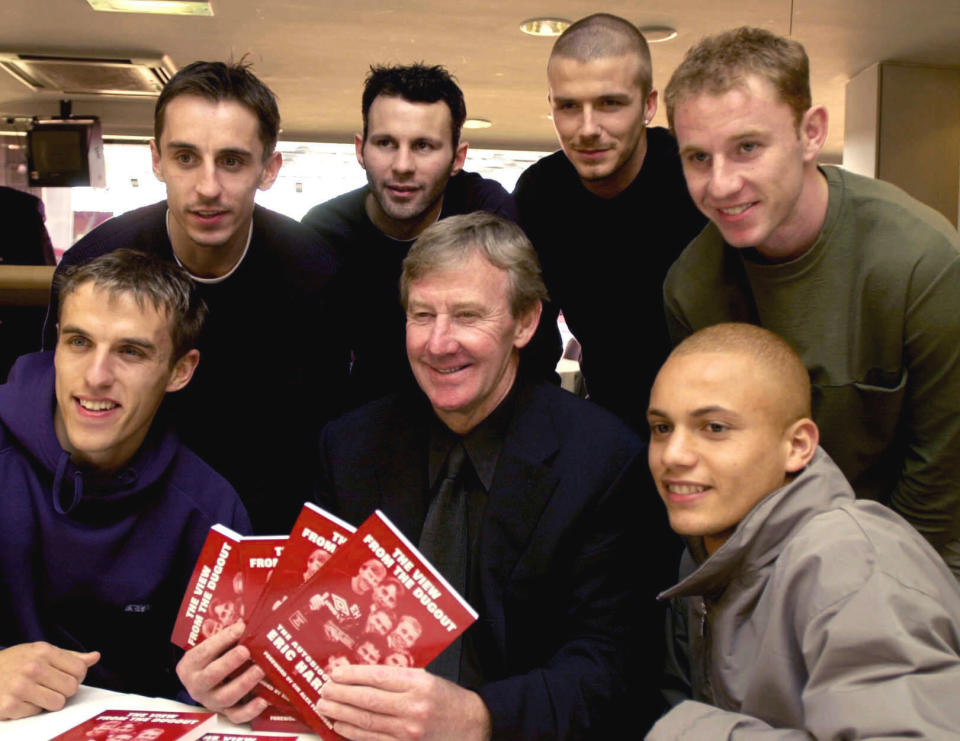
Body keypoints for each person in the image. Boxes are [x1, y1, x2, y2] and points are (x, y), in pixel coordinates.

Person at [173, 212, 673, 738]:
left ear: (525, 322)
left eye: (466, 315)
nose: (438, 343)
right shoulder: (350, 448)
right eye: (421, 315)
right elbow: (314, 631)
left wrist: (479, 718)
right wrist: (233, 678)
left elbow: (616, 672)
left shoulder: (605, 461)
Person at [661, 26, 960, 576]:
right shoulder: (692, 286)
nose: (722, 184)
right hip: (766, 566)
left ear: (811, 133)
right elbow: (717, 472)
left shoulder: (922, 263)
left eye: (747, 147)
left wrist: (869, 597)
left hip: (915, 561)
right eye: (698, 158)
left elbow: (940, 483)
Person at [42, 60, 344, 534]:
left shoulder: (313, 271)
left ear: (269, 169)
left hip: (265, 521)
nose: (208, 188)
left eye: (232, 161)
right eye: (185, 158)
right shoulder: (95, 263)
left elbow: (318, 435)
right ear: (156, 160)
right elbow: (59, 415)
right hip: (121, 513)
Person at [645, 322, 960, 738]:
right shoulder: (703, 554)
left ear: (797, 447)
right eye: (662, 428)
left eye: (715, 428)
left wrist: (690, 733)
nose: (674, 455)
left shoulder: (851, 563)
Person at [0, 250, 250, 719]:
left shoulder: (211, 511)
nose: (96, 377)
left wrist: (208, 694)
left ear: (180, 370)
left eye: (130, 352)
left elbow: (217, 696)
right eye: (79, 342)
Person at [302, 63, 559, 409]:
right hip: (369, 425)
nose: (403, 165)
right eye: (386, 143)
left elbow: (532, 351)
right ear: (361, 149)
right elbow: (313, 372)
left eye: (423, 146)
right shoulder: (324, 233)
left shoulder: (485, 213)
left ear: (458, 158)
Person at [513, 13, 707, 432]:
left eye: (610, 103)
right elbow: (532, 339)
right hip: (610, 429)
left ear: (649, 105)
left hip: (715, 421)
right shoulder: (539, 193)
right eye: (568, 106)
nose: (587, 129)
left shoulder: (698, 181)